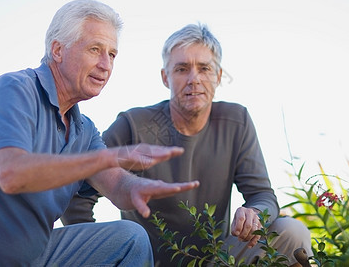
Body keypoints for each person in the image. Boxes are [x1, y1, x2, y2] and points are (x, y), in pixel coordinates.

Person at [0, 0, 200, 266]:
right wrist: (106, 158)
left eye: (112, 54)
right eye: (95, 49)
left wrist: (139, 186)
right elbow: (12, 174)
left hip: (35, 256)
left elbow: (115, 184)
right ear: (58, 50)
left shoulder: (84, 129)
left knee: (130, 238)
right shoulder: (14, 90)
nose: (106, 65)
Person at [62, 23, 313, 266]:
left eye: (204, 68)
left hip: (219, 259)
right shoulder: (133, 124)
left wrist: (255, 213)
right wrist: (99, 254)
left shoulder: (237, 121)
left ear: (218, 76)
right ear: (165, 77)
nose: (194, 79)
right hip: (146, 262)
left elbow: (262, 195)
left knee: (291, 231)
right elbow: (76, 195)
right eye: (182, 69)